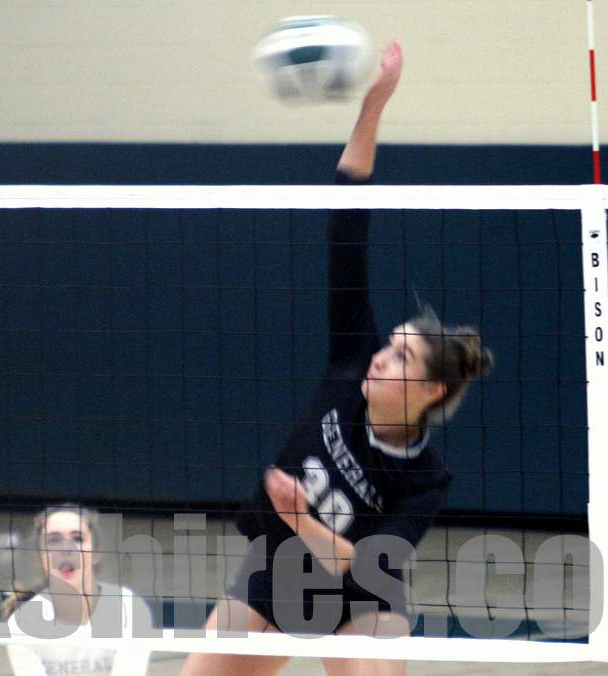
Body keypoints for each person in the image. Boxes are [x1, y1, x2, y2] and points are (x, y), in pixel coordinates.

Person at [180, 41, 493, 676]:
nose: (381, 358)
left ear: (432, 390)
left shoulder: (424, 479)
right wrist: (373, 107)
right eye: (390, 345)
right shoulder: (352, 361)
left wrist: (303, 519)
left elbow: (372, 564)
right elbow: (346, 225)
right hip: (276, 568)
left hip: (358, 597)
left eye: (401, 357)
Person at [3, 504, 152, 676]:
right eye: (54, 540)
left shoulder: (129, 608)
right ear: (40, 555)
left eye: (78, 539)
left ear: (96, 552)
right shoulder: (22, 622)